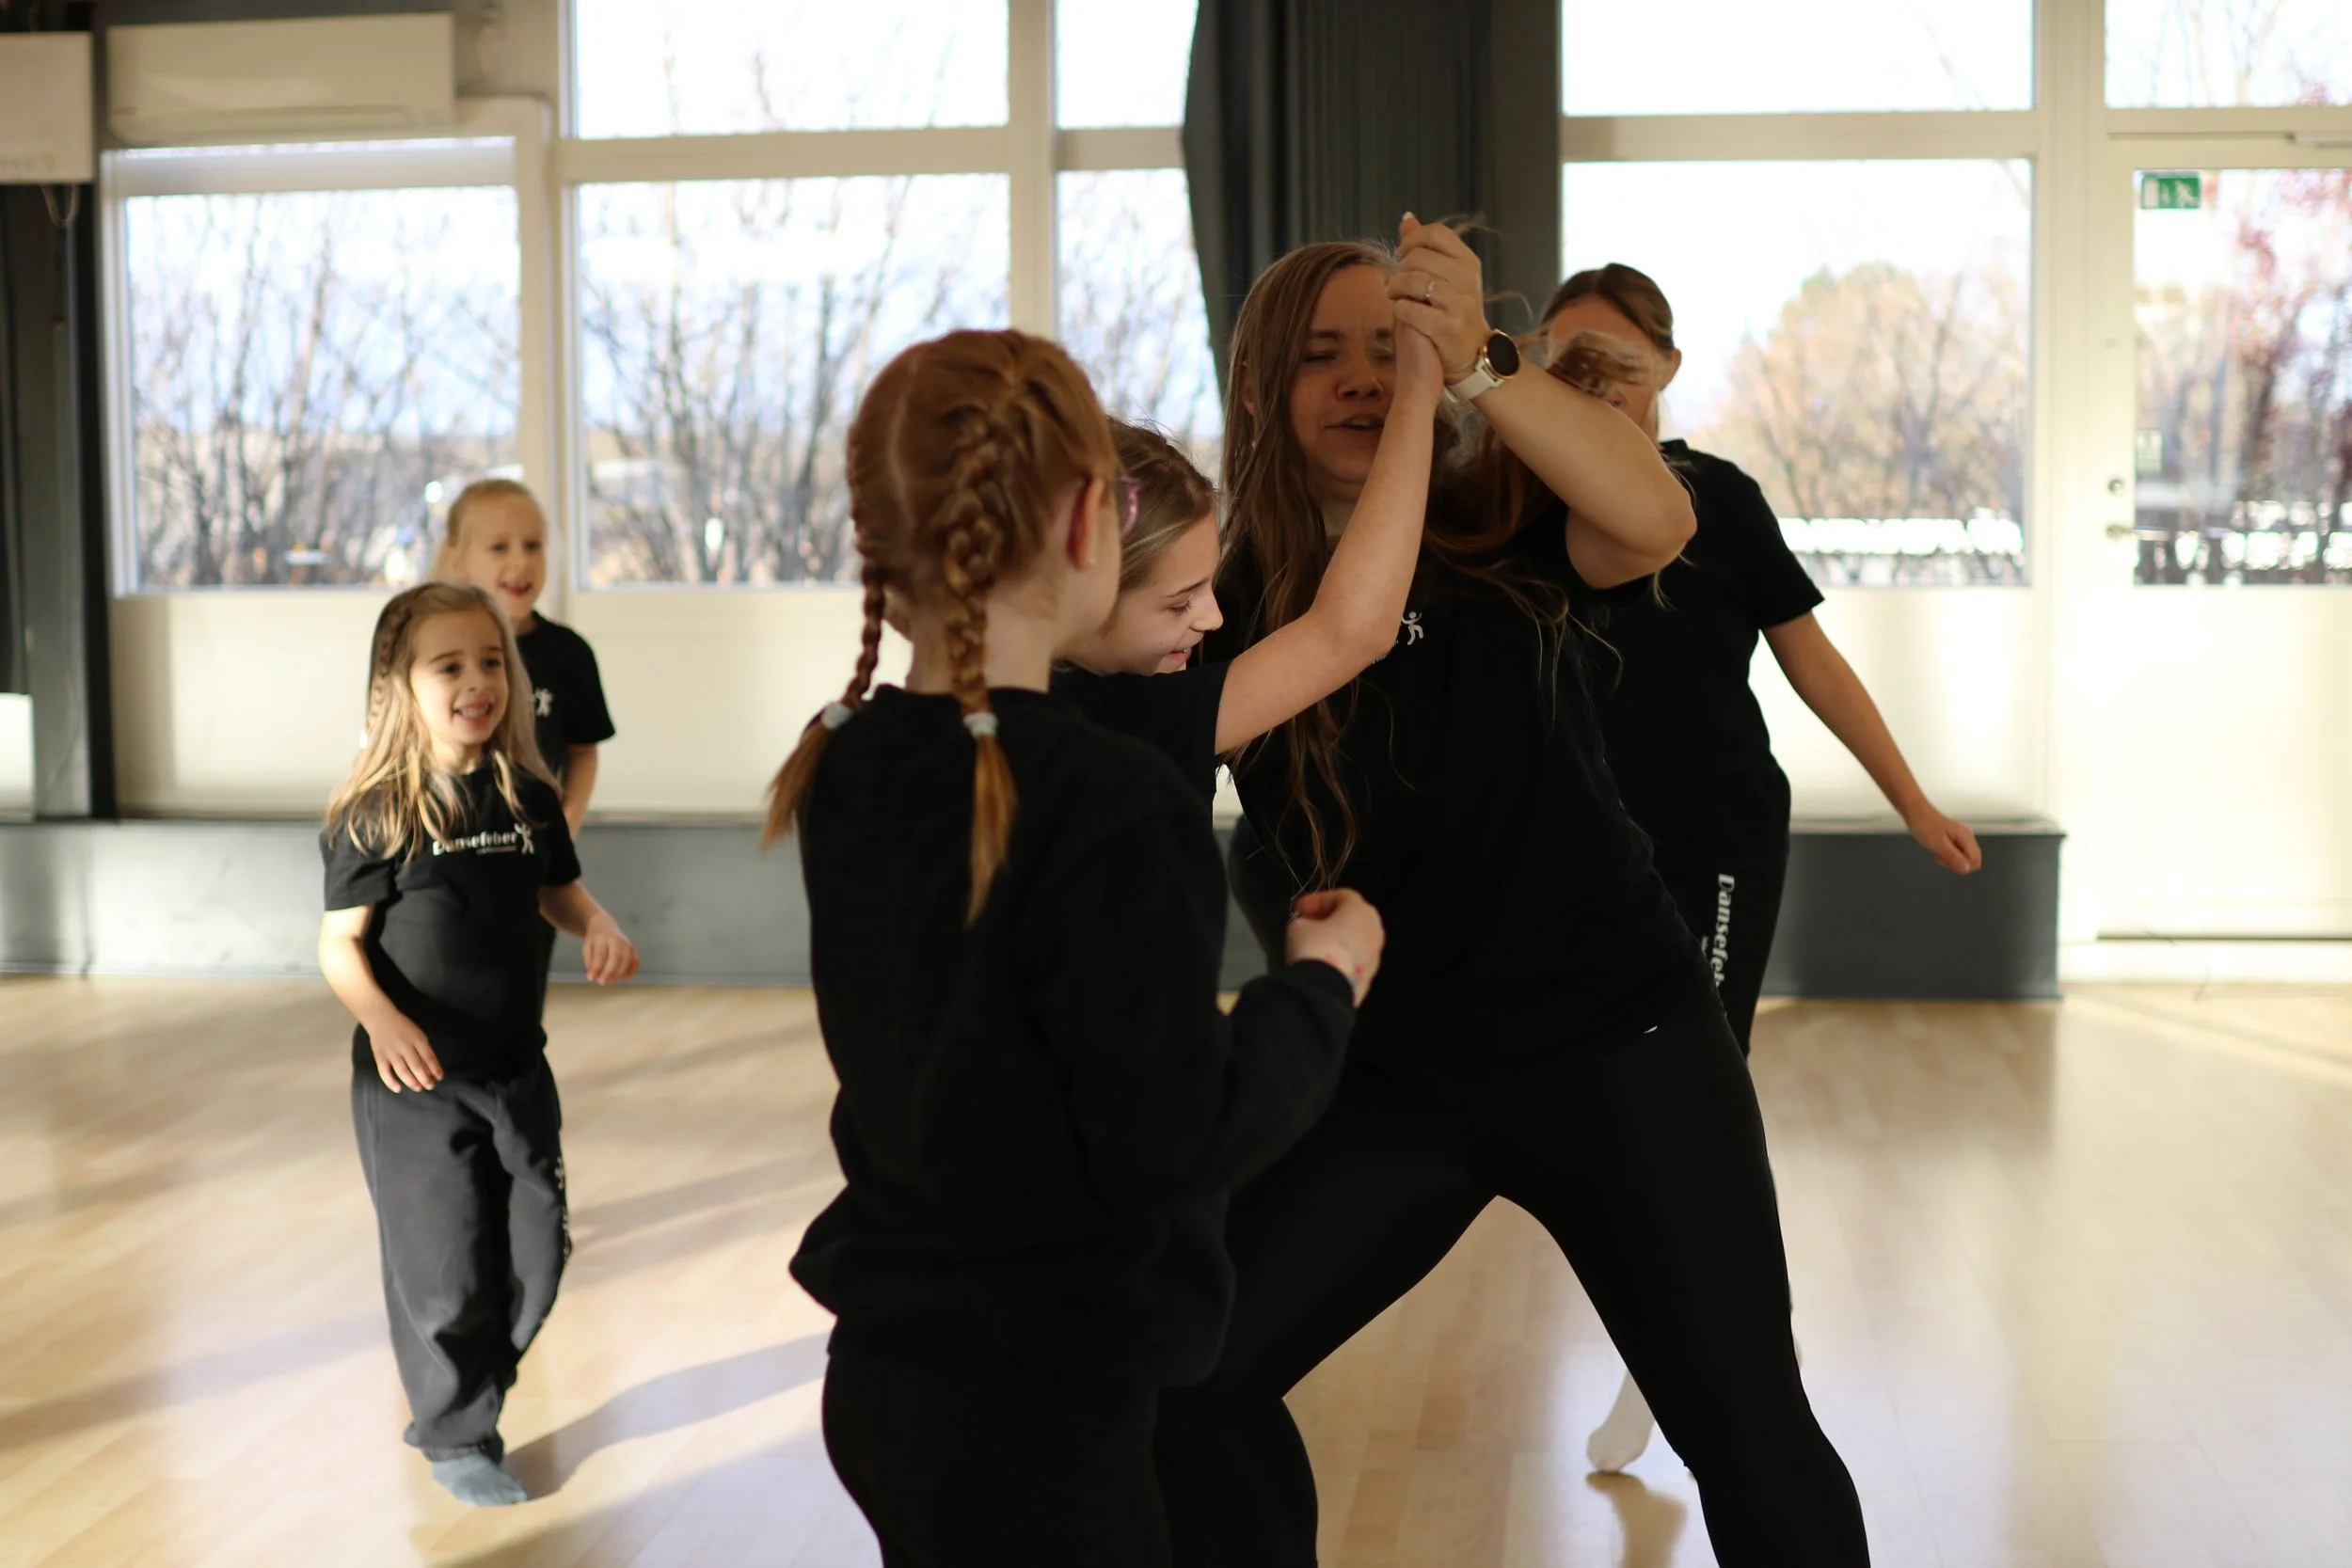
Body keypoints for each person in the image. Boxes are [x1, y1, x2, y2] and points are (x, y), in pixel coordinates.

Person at [1158, 225, 1872, 1566]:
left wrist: (1483, 360)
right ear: (1257, 389)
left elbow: (1662, 516)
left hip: (1620, 1044)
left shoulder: (1499, 513)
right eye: (1321, 357)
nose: (1362, 379)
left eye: (1388, 344)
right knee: (1187, 1370)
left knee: (1749, 1426)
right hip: (1395, 1077)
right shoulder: (1216, 597)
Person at [765, 327, 1388, 1567]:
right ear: (1088, 519)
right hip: (1037, 1407)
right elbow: (1178, 1138)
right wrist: (1323, 985)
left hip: (890, 1378)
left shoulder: (848, 758)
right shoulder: (1108, 797)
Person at [1541, 263, 1982, 1475]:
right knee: (1585, 1099)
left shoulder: (1718, 500)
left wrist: (1913, 798)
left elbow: (1812, 661)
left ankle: (1681, 1358)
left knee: (1700, 1087)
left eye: (1618, 364)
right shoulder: (1525, 502)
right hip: (1577, 844)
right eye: (1567, 361)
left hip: (1713, 842)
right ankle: (1655, 1303)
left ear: (1665, 371)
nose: (1595, 384)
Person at [318, 581, 640, 1508]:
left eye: (491, 659)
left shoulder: (528, 792)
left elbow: (555, 890)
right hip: (414, 1084)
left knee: (539, 1252)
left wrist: (598, 923)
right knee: (444, 1268)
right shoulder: (377, 810)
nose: (477, 680)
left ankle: (466, 1387)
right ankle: (458, 1427)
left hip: (515, 1067)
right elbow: (338, 944)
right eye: (447, 664)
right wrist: (383, 1017)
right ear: (398, 685)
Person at [1054, 214, 1445, 798]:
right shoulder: (1126, 715)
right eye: (1179, 602)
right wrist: (1418, 390)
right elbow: (1351, 632)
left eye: (1207, 588)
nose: (1213, 619)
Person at [435, 479, 614, 840]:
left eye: (533, 546)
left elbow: (583, 751)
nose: (521, 561)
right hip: (450, 847)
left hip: (536, 853)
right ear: (458, 561)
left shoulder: (569, 653)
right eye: (499, 547)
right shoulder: (433, 653)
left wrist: (565, 830)